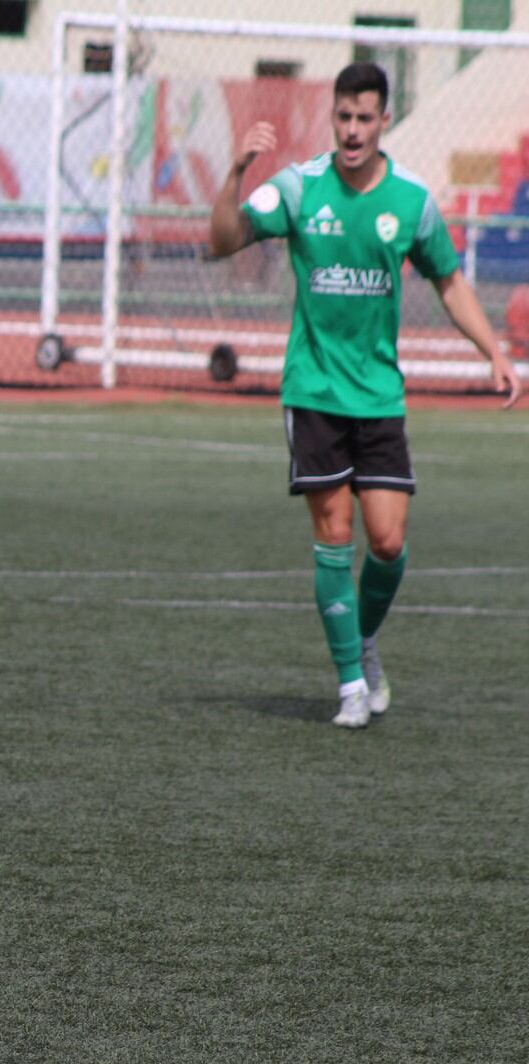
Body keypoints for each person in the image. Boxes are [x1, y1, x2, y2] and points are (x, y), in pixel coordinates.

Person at [209, 61, 520, 729]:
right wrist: (236, 174)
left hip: (379, 395)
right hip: (314, 390)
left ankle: (365, 641)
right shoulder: (297, 188)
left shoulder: (411, 199)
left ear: (384, 119)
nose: (352, 131)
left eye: (364, 118)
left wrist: (493, 350)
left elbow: (450, 281)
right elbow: (222, 240)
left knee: (386, 542)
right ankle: (351, 683)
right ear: (335, 118)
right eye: (343, 117)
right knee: (335, 533)